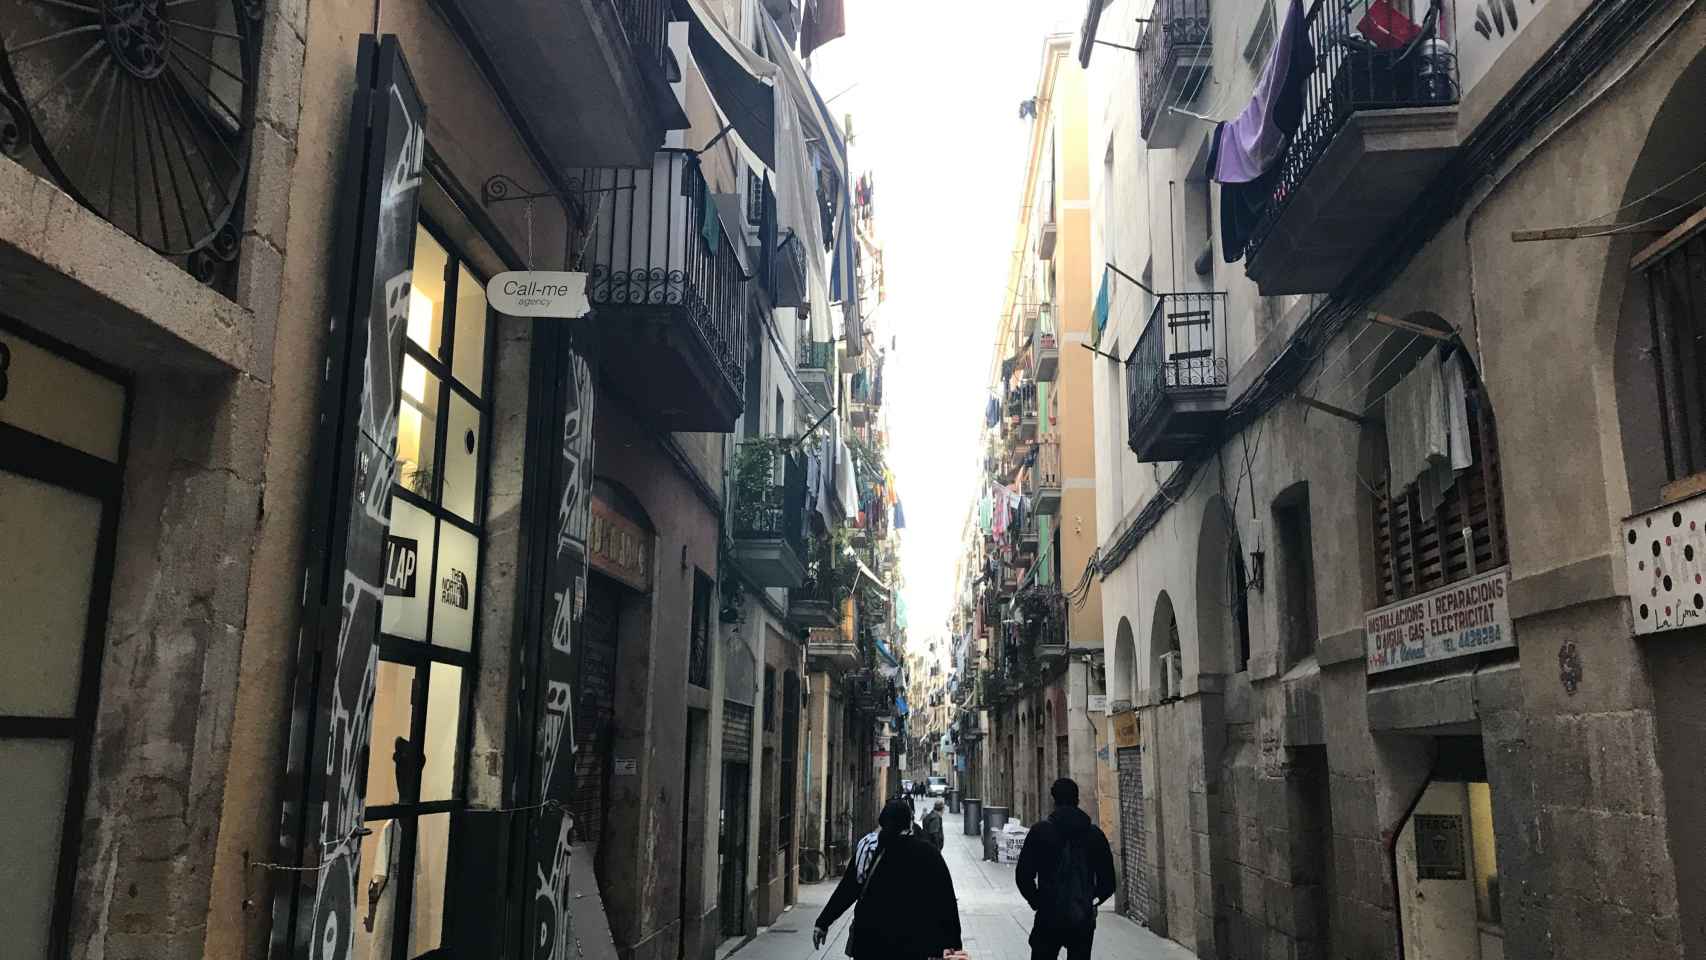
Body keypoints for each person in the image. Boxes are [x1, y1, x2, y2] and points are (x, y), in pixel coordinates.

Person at [814, 799, 963, 959]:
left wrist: (823, 922)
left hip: (870, 944)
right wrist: (953, 945)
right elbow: (946, 902)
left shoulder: (869, 849)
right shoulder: (929, 854)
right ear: (909, 824)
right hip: (915, 945)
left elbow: (847, 890)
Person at [1015, 778, 1117, 960]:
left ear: (1053, 800)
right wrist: (1091, 900)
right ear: (1077, 800)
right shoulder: (1094, 835)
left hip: (1048, 916)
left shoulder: (1040, 832)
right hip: (1081, 918)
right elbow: (1108, 882)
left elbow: (1023, 876)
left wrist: (1037, 901)